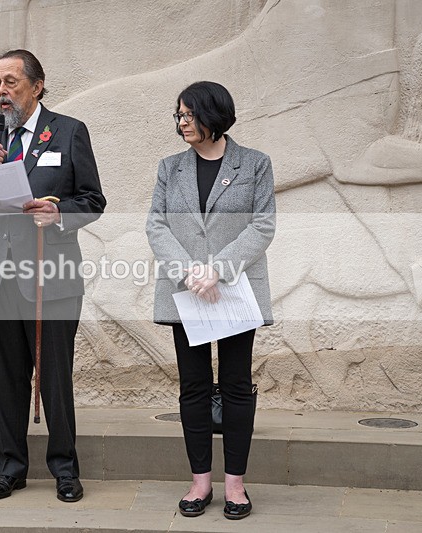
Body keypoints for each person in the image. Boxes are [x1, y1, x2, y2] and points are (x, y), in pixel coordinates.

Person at [0, 49, 106, 503]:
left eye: (12, 82)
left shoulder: (69, 132)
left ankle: (64, 469)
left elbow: (93, 200)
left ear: (36, 86)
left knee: (55, 379)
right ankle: (10, 469)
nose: (2, 91)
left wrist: (58, 211)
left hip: (51, 277)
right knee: (7, 378)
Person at [146, 81, 275, 520]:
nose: (182, 122)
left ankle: (235, 484)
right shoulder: (169, 168)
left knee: (237, 386)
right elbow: (156, 226)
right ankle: (201, 481)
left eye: (188, 115)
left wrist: (216, 268)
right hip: (187, 294)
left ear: (213, 115)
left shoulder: (255, 164)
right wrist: (189, 272)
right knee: (194, 386)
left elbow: (263, 225)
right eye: (178, 115)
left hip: (234, 288)